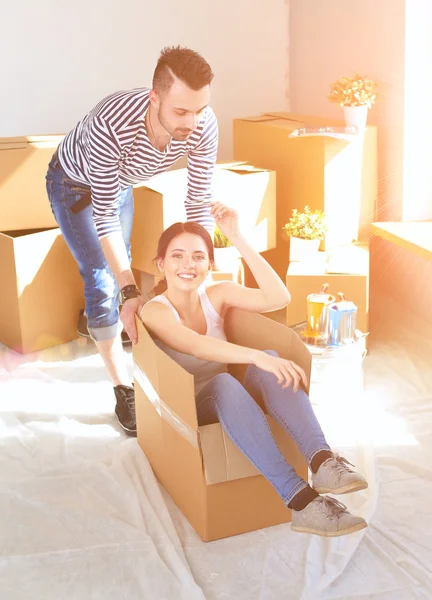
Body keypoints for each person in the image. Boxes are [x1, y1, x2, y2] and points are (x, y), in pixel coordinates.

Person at [139, 202, 369, 537]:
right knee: (227, 380)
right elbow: (195, 345)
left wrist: (237, 236)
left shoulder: (217, 293)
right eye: (177, 256)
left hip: (233, 404)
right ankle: (301, 501)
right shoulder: (154, 312)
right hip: (192, 407)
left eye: (198, 256)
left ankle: (321, 462)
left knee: (270, 361)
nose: (188, 264)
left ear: (210, 264)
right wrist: (255, 357)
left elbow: (278, 297)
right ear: (161, 263)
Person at [45, 46, 218, 436]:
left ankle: (94, 318)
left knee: (112, 274)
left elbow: (197, 201)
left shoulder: (203, 124)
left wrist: (199, 265)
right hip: (73, 186)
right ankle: (122, 388)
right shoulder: (112, 121)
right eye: (181, 112)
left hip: (116, 185)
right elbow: (102, 215)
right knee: (104, 279)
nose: (193, 123)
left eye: (200, 109)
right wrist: (128, 291)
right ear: (154, 97)